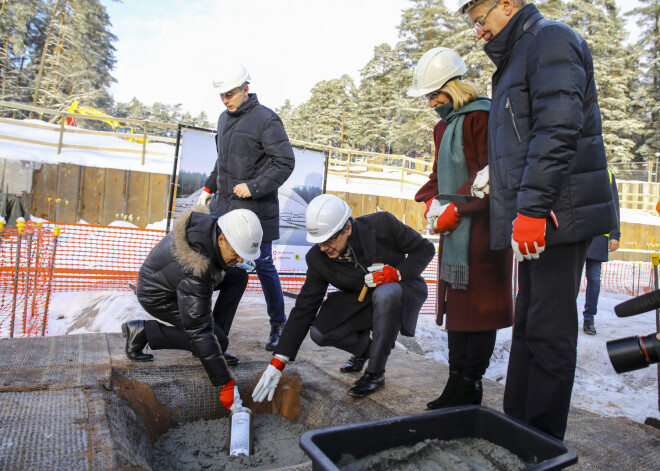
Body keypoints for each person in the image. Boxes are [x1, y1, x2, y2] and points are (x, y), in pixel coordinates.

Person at [457, 0, 618, 439]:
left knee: (549, 335)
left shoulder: (549, 40)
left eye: (480, 20)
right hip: (535, 218)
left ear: (507, 4)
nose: (478, 32)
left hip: (554, 218)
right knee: (528, 328)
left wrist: (529, 210)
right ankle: (516, 430)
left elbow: (558, 129)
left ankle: (539, 444)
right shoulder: (517, 56)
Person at [250, 194, 435, 401]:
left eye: (329, 240)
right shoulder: (317, 258)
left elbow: (426, 248)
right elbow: (305, 307)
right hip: (361, 298)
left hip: (399, 290)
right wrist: (279, 361)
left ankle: (375, 373)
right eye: (318, 242)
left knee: (386, 292)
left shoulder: (383, 224)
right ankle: (367, 350)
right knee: (320, 333)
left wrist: (398, 273)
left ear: (347, 228)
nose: (323, 248)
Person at [409, 47, 513, 410]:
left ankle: (471, 384)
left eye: (433, 95)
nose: (430, 103)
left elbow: (495, 175)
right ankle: (455, 382)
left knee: (479, 311)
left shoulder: (484, 117)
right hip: (454, 233)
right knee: (458, 311)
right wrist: (431, 202)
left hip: (483, 234)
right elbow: (439, 174)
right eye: (428, 97)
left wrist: (463, 207)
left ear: (453, 87)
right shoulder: (444, 126)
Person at [121, 205, 263, 413]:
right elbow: (199, 329)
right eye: (236, 252)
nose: (240, 259)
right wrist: (225, 382)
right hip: (158, 295)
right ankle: (143, 332)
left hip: (170, 281)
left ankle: (217, 340)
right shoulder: (197, 268)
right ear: (221, 240)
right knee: (211, 339)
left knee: (239, 275)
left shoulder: (216, 228)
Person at [198, 61, 295, 352]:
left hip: (256, 214)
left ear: (245, 88)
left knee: (263, 266)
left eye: (230, 93)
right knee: (214, 264)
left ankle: (279, 325)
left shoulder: (266, 120)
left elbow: (285, 162)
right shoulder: (223, 119)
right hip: (224, 208)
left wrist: (254, 187)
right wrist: (208, 187)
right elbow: (222, 161)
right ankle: (210, 331)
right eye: (222, 96)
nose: (226, 100)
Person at [583, 171, 621, 335]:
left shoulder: (608, 174)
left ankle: (589, 318)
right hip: (577, 232)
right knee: (570, 280)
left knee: (594, 278)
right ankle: (565, 318)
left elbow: (613, 205)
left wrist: (615, 234)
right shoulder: (575, 165)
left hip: (598, 234)